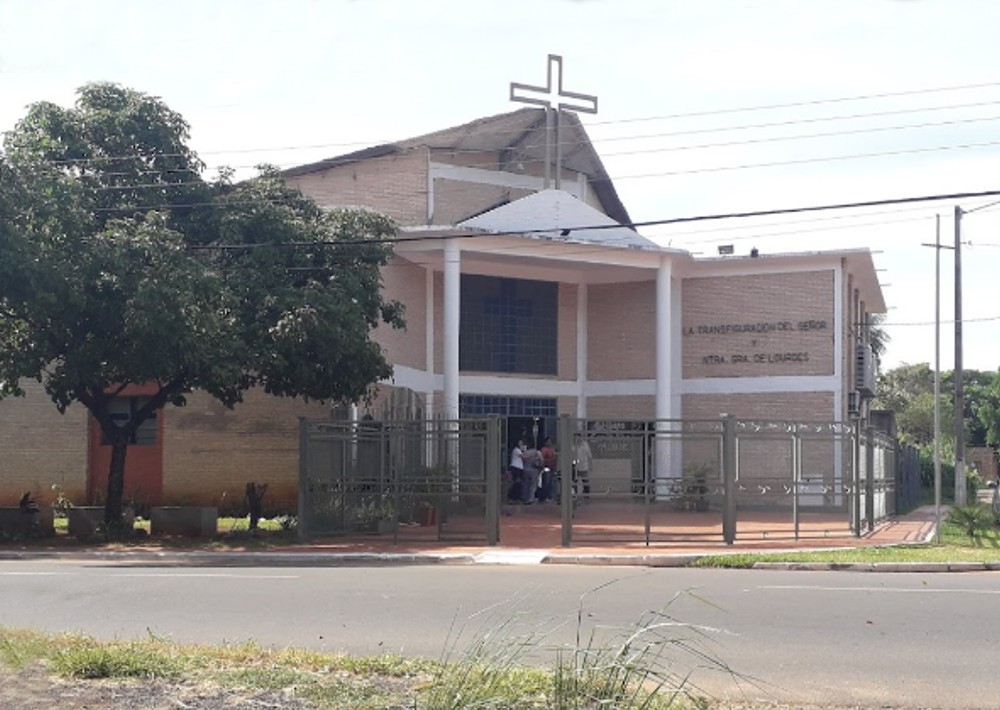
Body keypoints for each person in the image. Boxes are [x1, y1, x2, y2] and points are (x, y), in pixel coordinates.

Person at [574, 434, 592, 501]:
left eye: (579, 437)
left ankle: (586, 496)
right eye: (576, 438)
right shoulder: (573, 445)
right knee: (574, 481)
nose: (578, 439)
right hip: (575, 466)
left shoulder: (585, 445)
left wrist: (590, 465)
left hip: (584, 466)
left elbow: (589, 456)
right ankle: (574, 495)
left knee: (585, 481)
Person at [538, 437, 558, 502]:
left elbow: (555, 456)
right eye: (548, 441)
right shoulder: (544, 449)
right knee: (546, 482)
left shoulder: (552, 449)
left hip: (553, 467)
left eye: (550, 441)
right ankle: (545, 496)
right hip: (546, 467)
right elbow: (542, 458)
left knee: (551, 483)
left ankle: (550, 496)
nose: (549, 443)